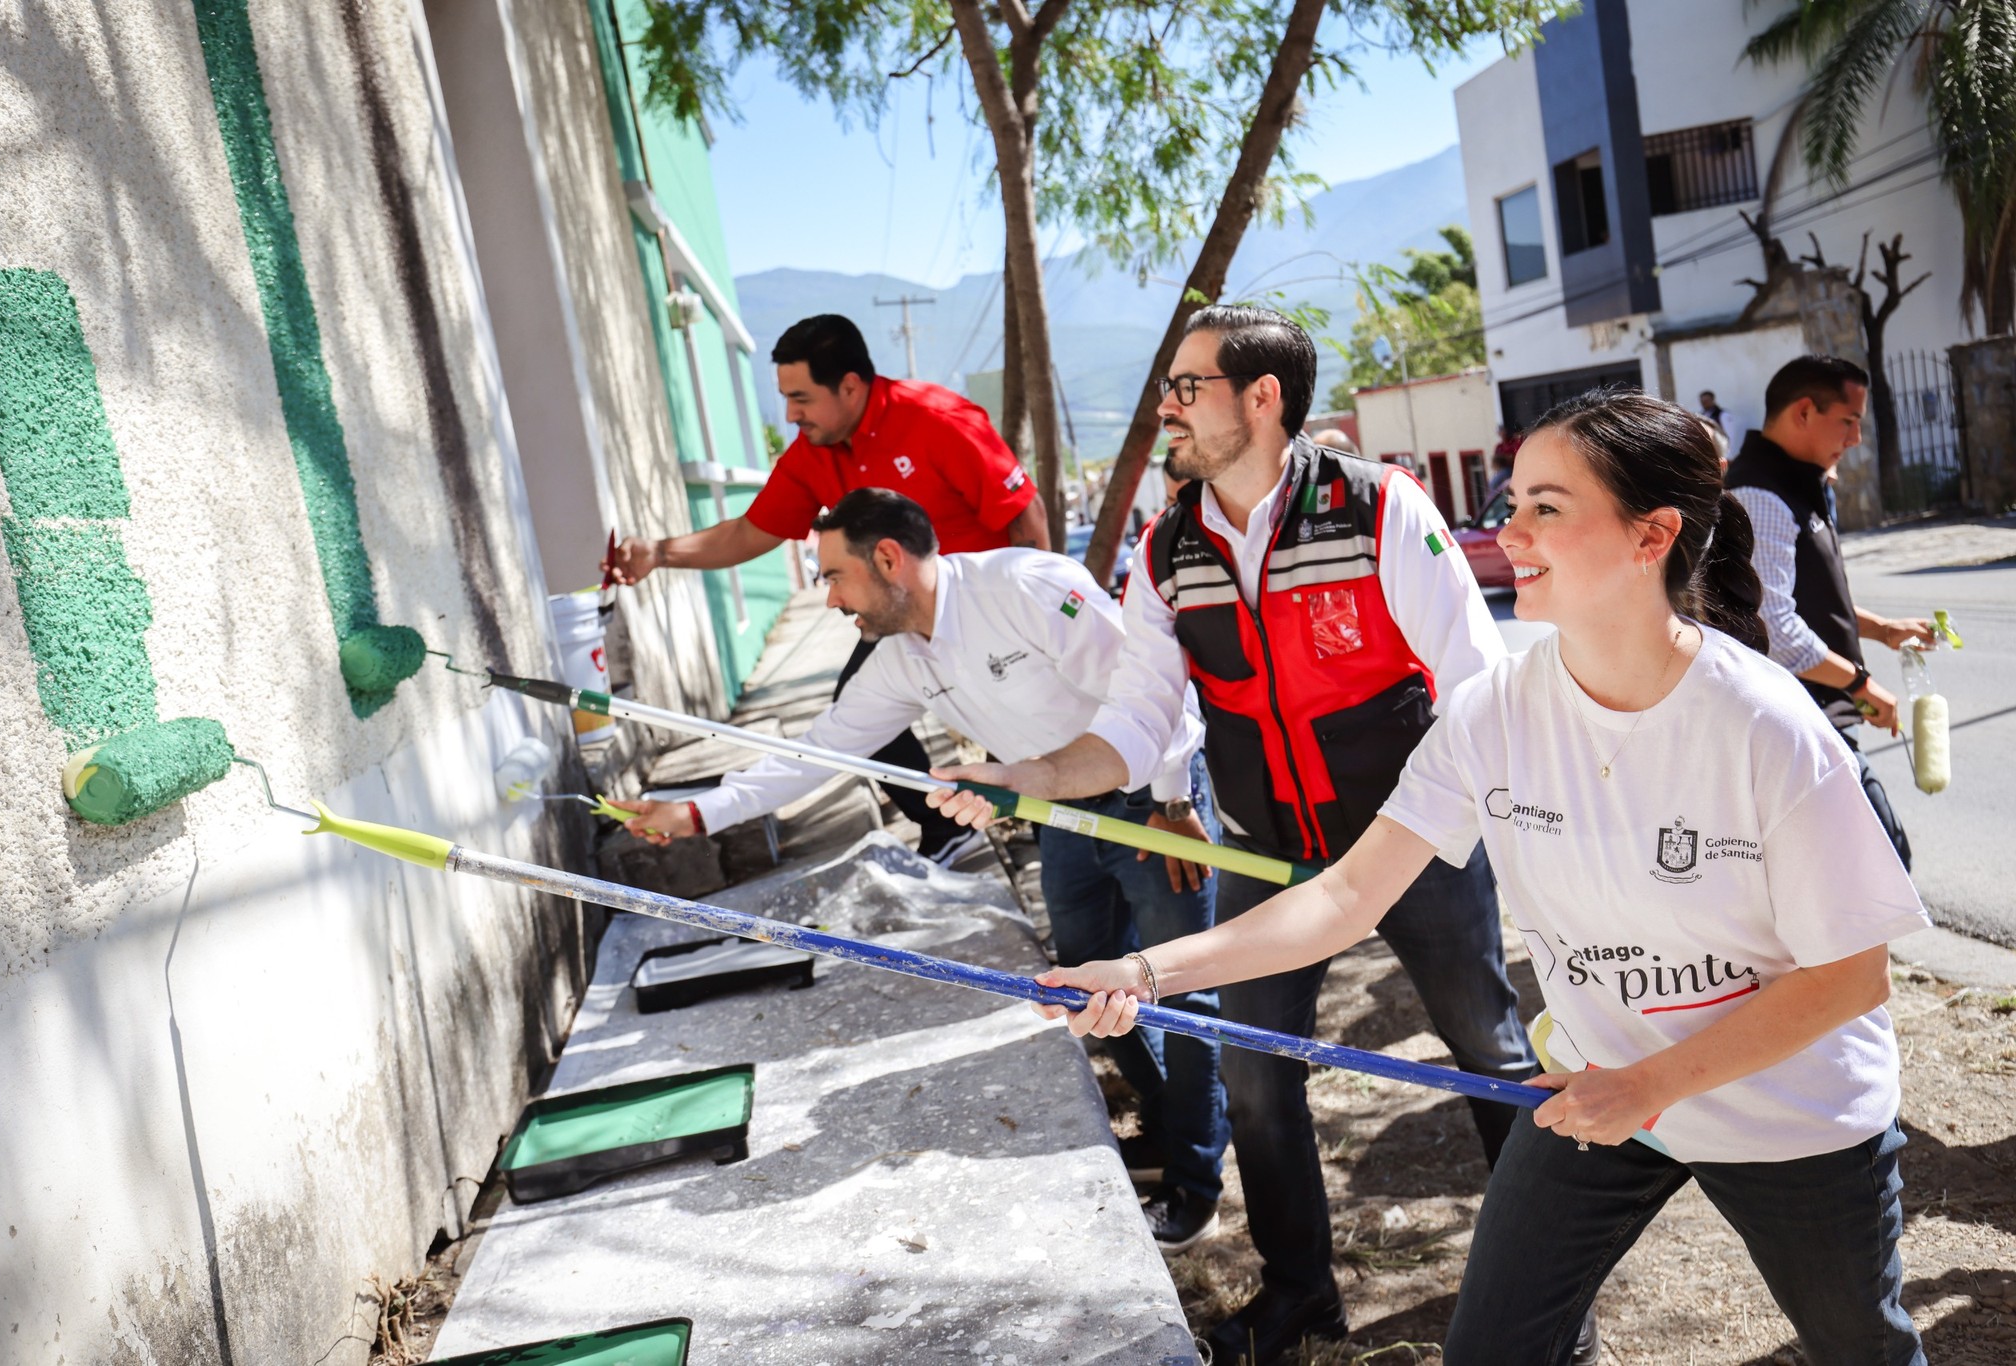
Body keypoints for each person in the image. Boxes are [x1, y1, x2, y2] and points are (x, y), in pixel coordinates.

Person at [1038, 390, 1931, 1366]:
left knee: (1861, 1349)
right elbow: (1343, 895)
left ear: (1652, 534)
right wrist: (1142, 972)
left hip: (1783, 1110)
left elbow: (1850, 979)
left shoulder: (1763, 726)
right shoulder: (1492, 711)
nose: (1506, 530)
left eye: (1545, 506)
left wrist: (1647, 1084)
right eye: (1510, 502)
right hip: (1603, 1094)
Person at [932, 305, 1544, 1365]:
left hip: (1416, 841)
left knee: (1487, 1059)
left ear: (1260, 398)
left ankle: (1545, 1305)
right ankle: (1300, 1293)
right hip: (1263, 853)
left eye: (1186, 384)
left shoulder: (1379, 508)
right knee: (1256, 1079)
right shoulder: (1165, 549)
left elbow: (1474, 689)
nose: (1164, 404)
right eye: (1166, 385)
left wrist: (1423, 835)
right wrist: (1027, 777)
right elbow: (1136, 722)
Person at [610, 488, 1231, 1252]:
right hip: (1059, 818)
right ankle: (1175, 1131)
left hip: (1152, 805)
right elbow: (820, 750)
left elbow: (1159, 695)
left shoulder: (1027, 588)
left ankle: (1198, 1188)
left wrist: (1171, 798)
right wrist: (699, 811)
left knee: (1175, 990)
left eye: (835, 576)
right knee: (1085, 982)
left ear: (889, 558)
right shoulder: (902, 658)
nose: (830, 599)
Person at [606, 315, 1049, 863]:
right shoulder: (811, 451)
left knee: (1034, 745)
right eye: (786, 400)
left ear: (850, 386)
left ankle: (1027, 827)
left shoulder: (937, 420)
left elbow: (1024, 515)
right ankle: (946, 827)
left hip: (992, 616)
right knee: (855, 718)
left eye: (801, 398)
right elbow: (751, 531)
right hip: (903, 621)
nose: (790, 414)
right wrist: (661, 552)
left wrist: (1033, 622)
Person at [1724, 356, 1934, 869]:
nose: (1857, 438)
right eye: (1848, 420)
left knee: (1864, 874)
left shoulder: (1797, 483)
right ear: (1803, 411)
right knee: (1884, 864)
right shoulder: (1761, 495)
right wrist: (1861, 685)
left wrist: (1882, 629)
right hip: (1799, 722)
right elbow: (1773, 626)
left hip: (1818, 716)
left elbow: (1805, 599)